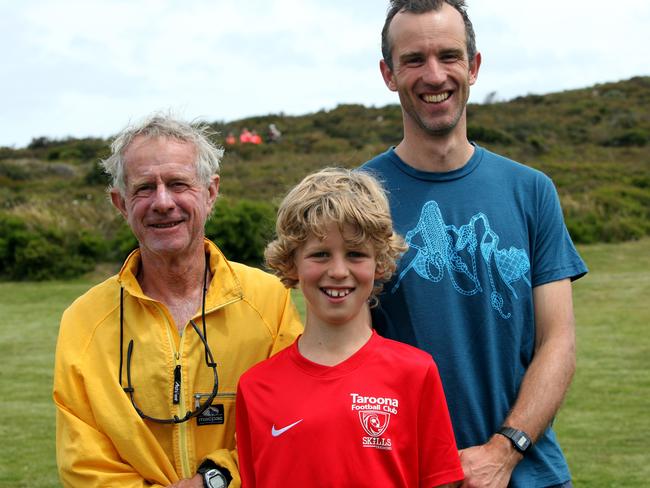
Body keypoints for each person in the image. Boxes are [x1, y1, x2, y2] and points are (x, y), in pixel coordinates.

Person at [361, 1, 588, 487]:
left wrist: (504, 452)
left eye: (449, 55)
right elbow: (347, 354)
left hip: (530, 472)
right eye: (414, 60)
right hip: (410, 475)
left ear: (474, 65)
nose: (434, 74)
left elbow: (558, 341)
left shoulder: (530, 190)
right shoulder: (359, 199)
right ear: (388, 74)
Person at [53, 114, 302, 488]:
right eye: (144, 188)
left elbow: (291, 422)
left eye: (178, 183)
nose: (163, 202)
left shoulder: (270, 301)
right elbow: (83, 463)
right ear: (120, 203)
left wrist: (213, 481)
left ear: (211, 192)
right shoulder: (83, 321)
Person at [236, 168, 465, 487]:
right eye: (320, 254)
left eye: (356, 254)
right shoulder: (256, 388)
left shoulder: (415, 373)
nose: (339, 271)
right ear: (292, 262)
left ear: (380, 262)